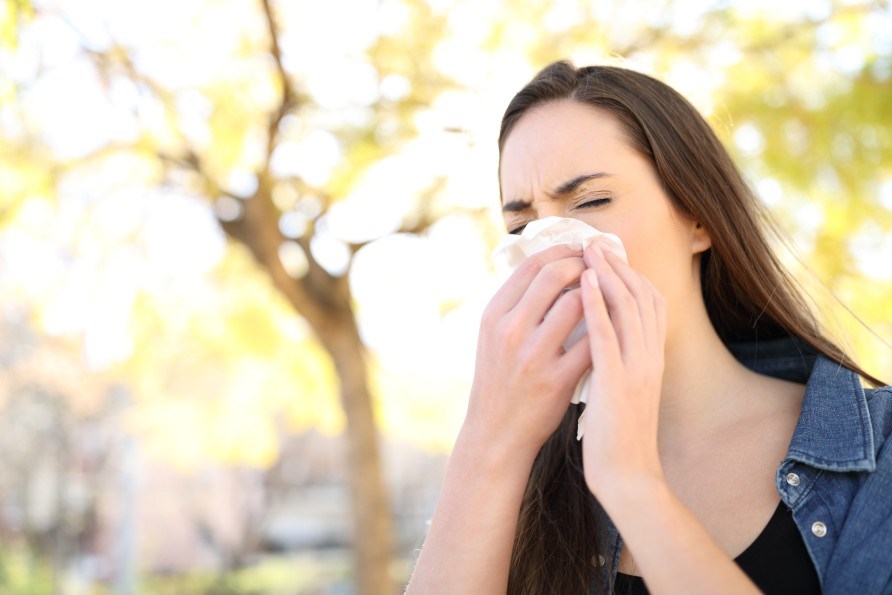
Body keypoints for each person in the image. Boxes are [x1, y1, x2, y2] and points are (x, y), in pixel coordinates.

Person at [405, 61, 892, 594]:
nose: (552, 245)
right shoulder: (517, 479)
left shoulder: (879, 450)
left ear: (698, 217)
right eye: (522, 226)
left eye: (591, 202)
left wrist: (631, 483)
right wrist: (488, 440)